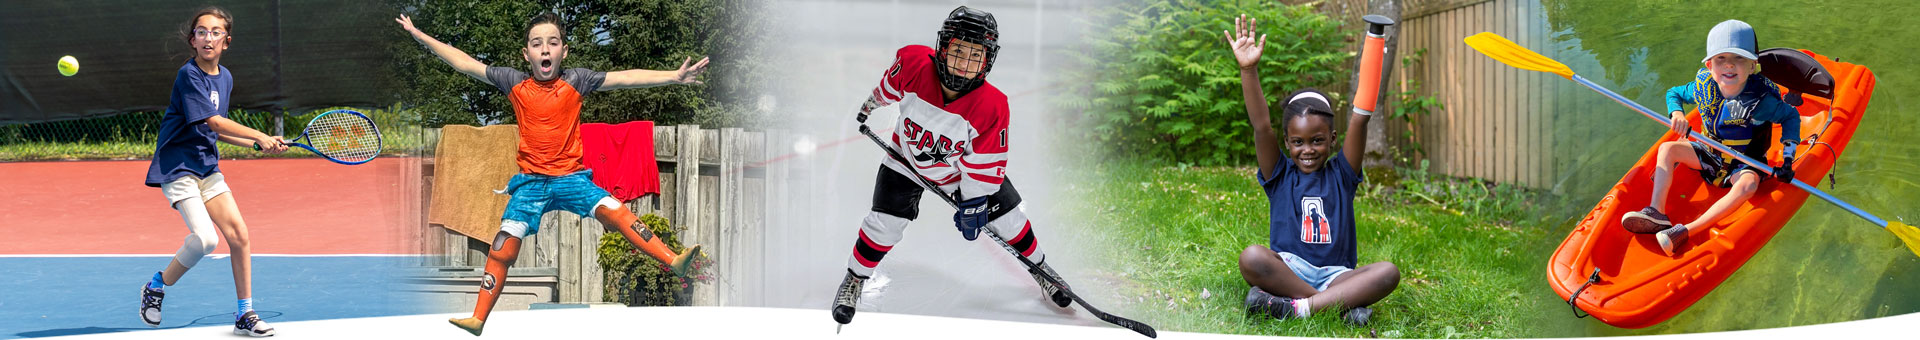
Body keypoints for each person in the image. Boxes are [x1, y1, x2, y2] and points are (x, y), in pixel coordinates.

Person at [396, 12, 710, 336]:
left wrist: (673, 76)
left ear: (564, 51)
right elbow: (464, 63)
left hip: (572, 178)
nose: (545, 49)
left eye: (553, 43)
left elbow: (625, 77)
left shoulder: (578, 81)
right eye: (537, 44)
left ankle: (673, 260)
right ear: (526, 54)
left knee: (615, 211)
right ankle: (478, 318)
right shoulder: (513, 82)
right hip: (530, 183)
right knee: (503, 244)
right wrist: (420, 35)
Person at [830, 6, 1076, 325]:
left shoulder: (992, 105)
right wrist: (871, 104)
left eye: (975, 56)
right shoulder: (914, 64)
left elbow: (985, 165)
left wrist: (974, 203)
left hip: (959, 171)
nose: (964, 64)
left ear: (988, 60)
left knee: (1011, 220)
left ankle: (1043, 271)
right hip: (906, 159)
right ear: (942, 47)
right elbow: (887, 88)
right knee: (884, 223)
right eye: (958, 51)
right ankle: (854, 279)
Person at [1224, 14, 1400, 325]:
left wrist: (1375, 39)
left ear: (1333, 139)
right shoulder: (1280, 176)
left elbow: (1360, 117)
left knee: (1388, 272)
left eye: (1317, 140)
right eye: (1298, 142)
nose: (1307, 150)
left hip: (1338, 277)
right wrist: (1248, 70)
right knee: (1251, 256)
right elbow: (1261, 126)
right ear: (1287, 143)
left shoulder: (1342, 175)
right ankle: (1340, 307)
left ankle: (1297, 307)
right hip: (1289, 271)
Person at [138, 6, 290, 337]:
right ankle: (157, 284)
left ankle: (244, 314)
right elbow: (214, 121)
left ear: (227, 41)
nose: (209, 38)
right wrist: (260, 134)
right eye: (202, 32)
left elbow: (216, 133)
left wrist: (255, 145)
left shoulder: (225, 77)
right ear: (192, 40)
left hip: (207, 167)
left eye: (216, 32)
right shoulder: (188, 75)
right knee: (206, 239)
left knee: (239, 235)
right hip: (178, 166)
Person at [1620, 19, 1801, 256]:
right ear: (1709, 65)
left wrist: (1788, 158)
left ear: (1752, 66)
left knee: (1749, 185)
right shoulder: (1703, 87)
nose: (1729, 66)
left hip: (1743, 164)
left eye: (1739, 58)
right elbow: (1673, 93)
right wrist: (1677, 113)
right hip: (1711, 155)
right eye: (1721, 59)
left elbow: (1791, 117)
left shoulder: (1762, 102)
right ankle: (1656, 212)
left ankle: (1686, 231)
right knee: (1667, 149)